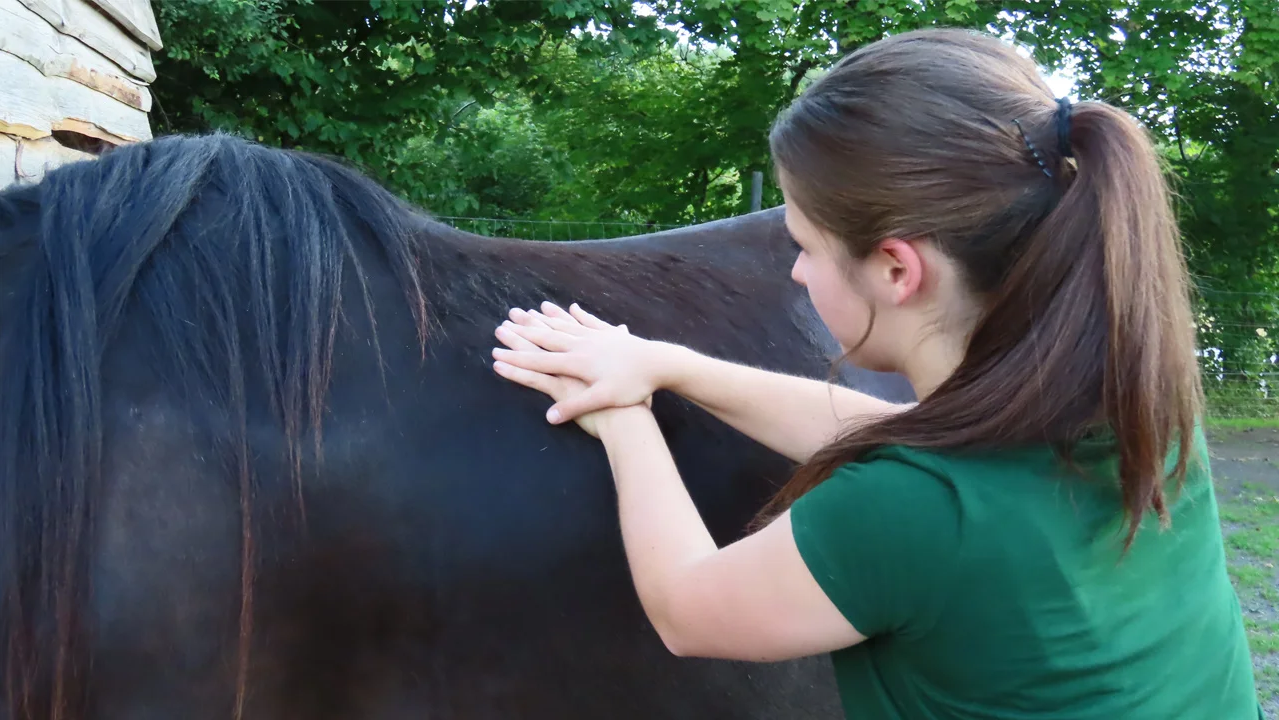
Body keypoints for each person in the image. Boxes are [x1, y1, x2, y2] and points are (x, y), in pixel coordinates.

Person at [489, 28, 1262, 719]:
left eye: (805, 245)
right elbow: (893, 434)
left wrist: (623, 416)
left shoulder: (909, 511)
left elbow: (687, 608)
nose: (795, 273)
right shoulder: (1137, 411)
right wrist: (672, 366)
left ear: (896, 268)